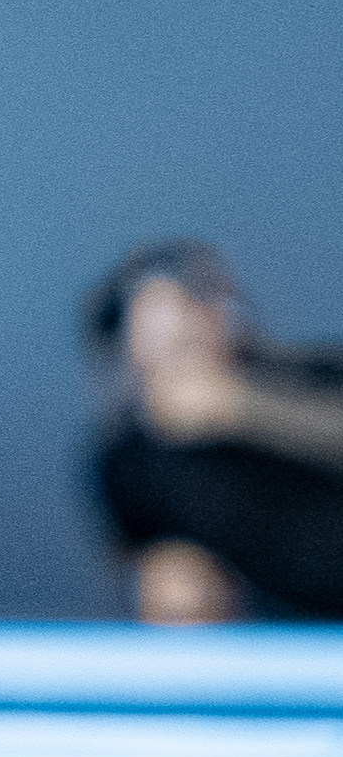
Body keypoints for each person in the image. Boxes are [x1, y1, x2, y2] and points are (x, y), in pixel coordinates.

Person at [92, 243, 343, 624]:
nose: (179, 332)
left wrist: (238, 405)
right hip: (280, 641)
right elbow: (162, 579)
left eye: (198, 302)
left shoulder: (307, 374)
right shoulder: (131, 461)